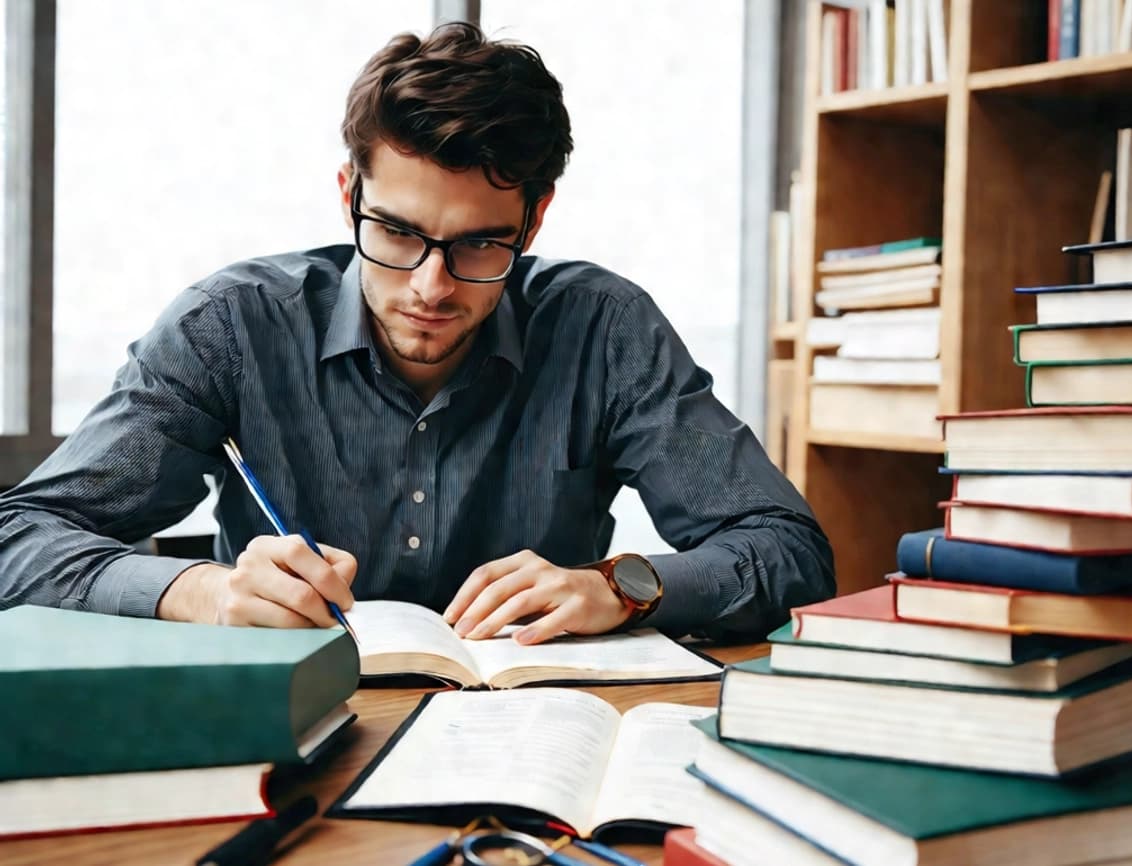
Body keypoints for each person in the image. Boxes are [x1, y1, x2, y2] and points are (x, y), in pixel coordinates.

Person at [0, 23, 833, 644]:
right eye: (396, 234)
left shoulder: (604, 329)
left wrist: (619, 588)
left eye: (479, 243)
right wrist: (201, 590)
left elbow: (790, 551)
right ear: (347, 195)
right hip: (295, 725)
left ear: (534, 220)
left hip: (537, 734)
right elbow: (20, 539)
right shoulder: (230, 326)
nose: (430, 288)